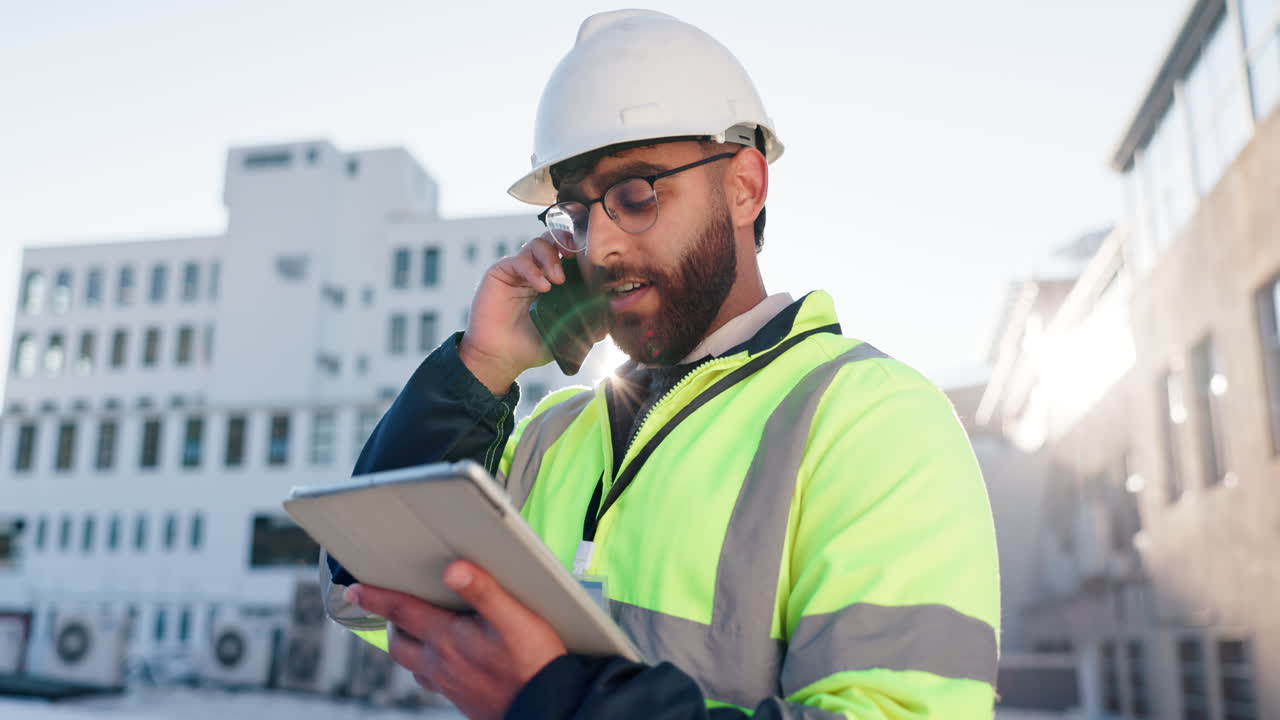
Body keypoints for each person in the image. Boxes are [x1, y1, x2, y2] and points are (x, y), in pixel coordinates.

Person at [322, 9, 1000, 719]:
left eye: (636, 194)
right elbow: (363, 593)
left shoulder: (872, 418)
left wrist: (561, 703)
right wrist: (479, 368)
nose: (601, 245)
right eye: (579, 216)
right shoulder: (554, 438)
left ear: (744, 187)